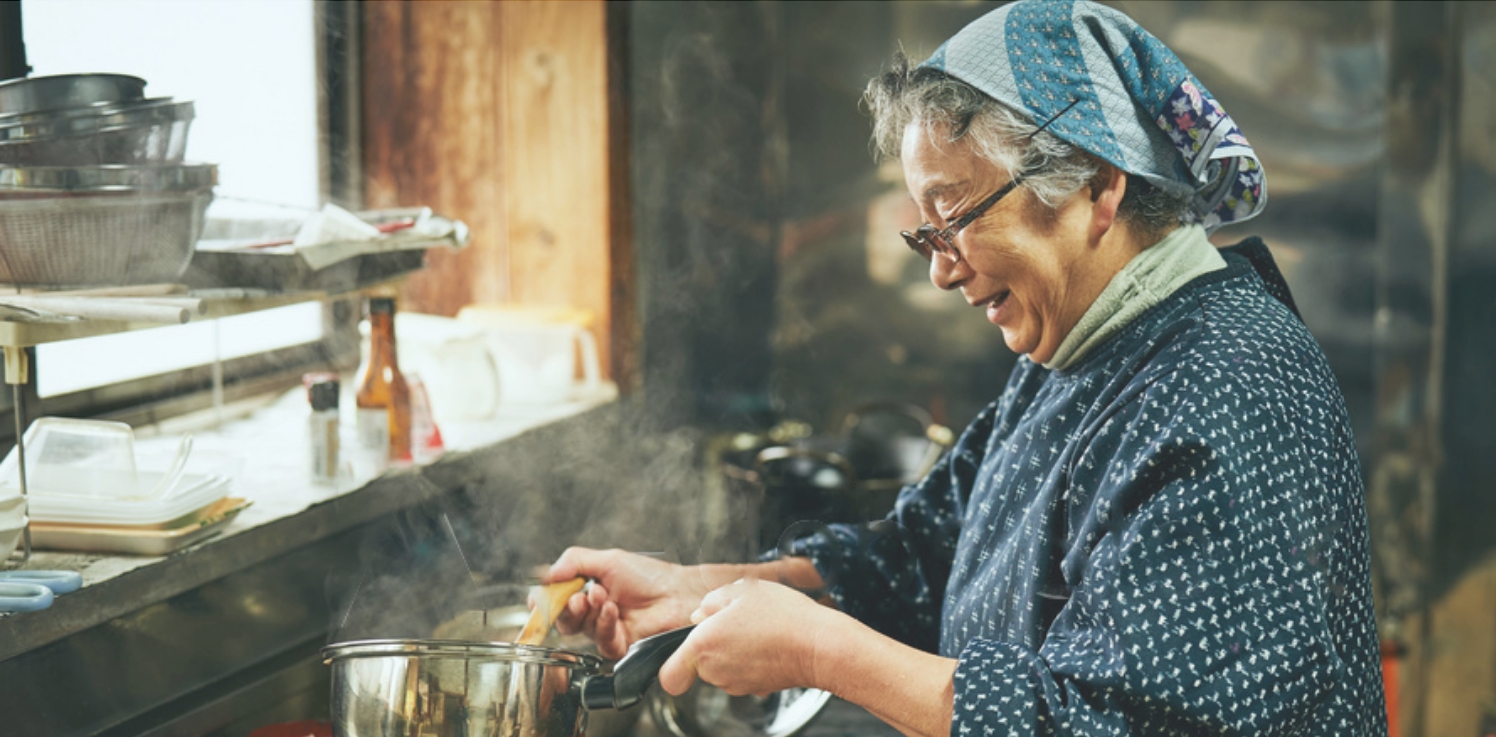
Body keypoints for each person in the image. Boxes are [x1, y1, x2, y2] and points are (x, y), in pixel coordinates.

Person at [544, 2, 1387, 735]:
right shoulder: (1083, 346)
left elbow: (1116, 722)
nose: (942, 269)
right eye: (926, 233)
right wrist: (701, 590)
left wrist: (815, 647)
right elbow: (929, 551)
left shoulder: (1225, 386)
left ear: (1098, 185)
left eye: (955, 217)